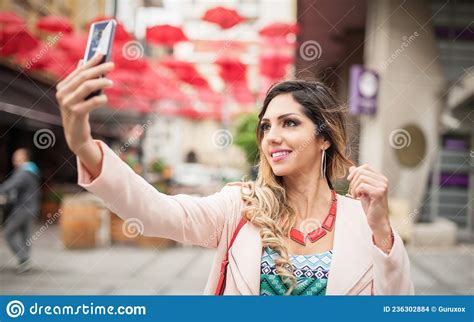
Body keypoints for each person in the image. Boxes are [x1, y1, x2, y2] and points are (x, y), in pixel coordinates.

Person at [55, 53, 414, 295]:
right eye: (266, 126)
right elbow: (155, 212)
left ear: (323, 138)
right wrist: (84, 144)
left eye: (289, 123)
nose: (272, 136)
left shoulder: (363, 220)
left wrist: (382, 230)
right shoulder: (240, 207)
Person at [0, 148, 41, 273]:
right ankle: (25, 263)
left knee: (8, 233)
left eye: (17, 157)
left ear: (24, 158)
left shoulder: (23, 173)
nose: (14, 160)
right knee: (25, 237)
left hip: (23, 208)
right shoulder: (33, 171)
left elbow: (10, 185)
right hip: (32, 208)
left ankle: (24, 259)